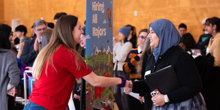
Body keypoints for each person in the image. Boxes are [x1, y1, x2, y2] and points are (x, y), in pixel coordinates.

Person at [23, 15, 130, 110]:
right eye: (79, 28)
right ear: (70, 31)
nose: (82, 31)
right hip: (46, 106)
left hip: (34, 104)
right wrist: (121, 81)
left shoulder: (53, 49)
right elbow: (95, 81)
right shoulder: (67, 53)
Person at [124, 19, 206, 110]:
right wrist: (133, 86)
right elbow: (151, 83)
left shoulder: (181, 57)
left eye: (152, 32)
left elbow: (194, 86)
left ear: (163, 34)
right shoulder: (153, 56)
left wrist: (166, 98)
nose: (148, 35)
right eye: (149, 32)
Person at [123, 29, 151, 110]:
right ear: (138, 38)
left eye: (146, 37)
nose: (143, 39)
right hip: (133, 85)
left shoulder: (151, 53)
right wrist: (137, 57)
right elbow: (125, 69)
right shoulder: (132, 52)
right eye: (141, 37)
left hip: (146, 86)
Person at [0, 23, 20, 110]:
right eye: (10, 35)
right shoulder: (8, 54)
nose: (11, 38)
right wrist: (6, 90)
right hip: (3, 99)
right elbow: (14, 79)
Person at [202, 17, 220, 110]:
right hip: (212, 71)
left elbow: (216, 61)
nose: (205, 27)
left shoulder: (218, 39)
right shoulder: (212, 39)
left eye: (208, 25)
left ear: (214, 26)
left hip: (217, 72)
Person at [113, 26, 132, 110]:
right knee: (115, 92)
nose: (119, 35)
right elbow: (112, 56)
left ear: (125, 34)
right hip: (115, 69)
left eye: (121, 33)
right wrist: (115, 58)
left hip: (123, 70)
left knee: (123, 92)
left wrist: (115, 58)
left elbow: (122, 57)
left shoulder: (129, 44)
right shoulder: (117, 44)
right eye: (119, 33)